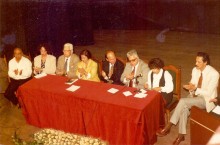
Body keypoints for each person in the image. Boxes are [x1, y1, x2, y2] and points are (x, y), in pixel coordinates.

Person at [156, 52, 219, 145]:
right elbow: (193, 82)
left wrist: (195, 89)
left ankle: (169, 125)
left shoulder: (214, 74)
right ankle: (181, 135)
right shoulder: (195, 70)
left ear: (205, 63)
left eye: (199, 62)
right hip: (194, 95)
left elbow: (209, 93)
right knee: (184, 108)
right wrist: (190, 87)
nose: (196, 64)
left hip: (207, 99)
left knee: (182, 101)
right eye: (196, 61)